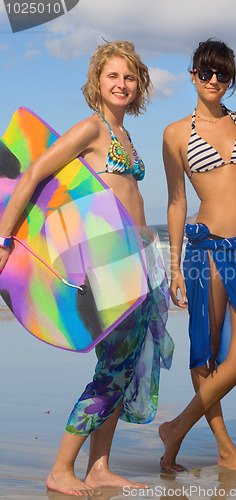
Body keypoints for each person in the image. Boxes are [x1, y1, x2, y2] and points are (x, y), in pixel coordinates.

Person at [0, 40, 174, 496]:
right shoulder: (92, 129)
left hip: (143, 260)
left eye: (130, 77)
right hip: (112, 267)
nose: (121, 84)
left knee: (127, 362)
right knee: (114, 369)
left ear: (139, 87)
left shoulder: (126, 136)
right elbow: (35, 171)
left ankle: (99, 468)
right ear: (97, 81)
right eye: (113, 75)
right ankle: (61, 468)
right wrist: (4, 237)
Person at [160, 38, 236, 473]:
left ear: (230, 80)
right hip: (209, 248)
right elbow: (175, 203)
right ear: (192, 75)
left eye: (222, 74)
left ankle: (176, 428)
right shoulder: (175, 134)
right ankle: (224, 448)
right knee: (206, 354)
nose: (213, 81)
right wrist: (175, 268)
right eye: (205, 72)